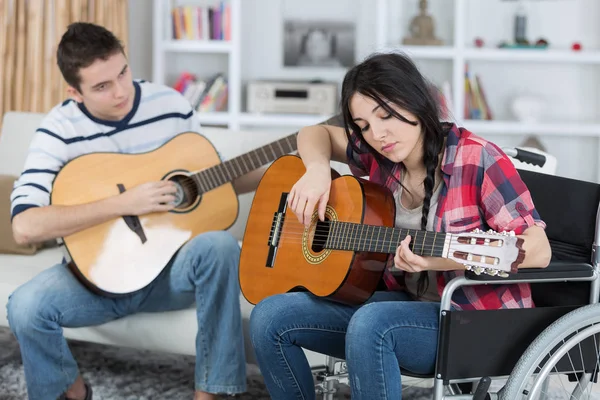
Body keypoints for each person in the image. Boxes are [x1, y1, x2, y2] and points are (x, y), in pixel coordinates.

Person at [249, 52, 552, 400]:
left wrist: (441, 260)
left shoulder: (479, 158)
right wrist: (317, 170)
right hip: (402, 303)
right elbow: (314, 133)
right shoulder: (382, 158)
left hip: (471, 322)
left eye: (386, 115)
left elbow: (539, 249)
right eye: (363, 125)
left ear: (415, 100)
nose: (377, 134)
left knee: (372, 323)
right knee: (270, 316)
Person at [6, 22, 261, 400]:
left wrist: (294, 162)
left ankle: (212, 394)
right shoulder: (57, 132)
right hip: (93, 282)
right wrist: (122, 204)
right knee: (25, 307)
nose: (121, 91)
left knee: (220, 247)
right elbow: (24, 227)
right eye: (102, 86)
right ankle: (74, 393)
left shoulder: (170, 105)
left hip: (170, 274)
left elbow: (212, 177)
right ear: (74, 92)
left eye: (122, 73)